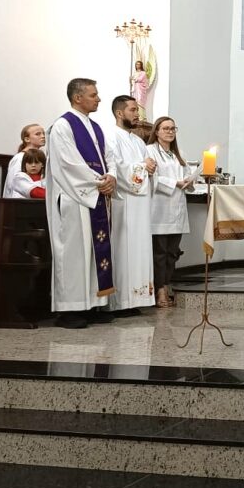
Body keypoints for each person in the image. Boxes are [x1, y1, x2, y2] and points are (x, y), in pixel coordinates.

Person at [45, 78, 119, 329]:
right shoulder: (63, 126)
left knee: (93, 252)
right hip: (74, 198)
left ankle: (93, 304)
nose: (98, 99)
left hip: (94, 195)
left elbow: (110, 157)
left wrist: (112, 177)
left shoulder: (96, 127)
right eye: (93, 95)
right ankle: (70, 309)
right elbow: (68, 163)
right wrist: (99, 182)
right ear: (78, 98)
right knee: (75, 254)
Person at [107, 95, 158, 315]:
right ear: (119, 113)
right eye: (132, 110)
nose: (137, 114)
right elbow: (115, 167)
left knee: (139, 248)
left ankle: (136, 298)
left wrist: (150, 168)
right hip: (124, 202)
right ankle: (120, 300)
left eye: (137, 110)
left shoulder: (138, 141)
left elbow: (146, 168)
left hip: (141, 203)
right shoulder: (111, 137)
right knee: (123, 248)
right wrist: (141, 167)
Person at [145, 116, 194, 309]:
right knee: (159, 252)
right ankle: (160, 289)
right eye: (165, 128)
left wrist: (190, 180)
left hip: (177, 210)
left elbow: (187, 175)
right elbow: (151, 178)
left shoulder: (178, 153)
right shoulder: (149, 151)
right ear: (156, 131)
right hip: (159, 208)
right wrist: (175, 183)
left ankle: (167, 283)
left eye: (173, 128)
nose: (170, 132)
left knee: (172, 252)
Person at [4, 123, 45, 197]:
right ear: (27, 139)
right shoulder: (19, 158)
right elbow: (12, 184)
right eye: (38, 134)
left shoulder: (43, 157)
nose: (43, 136)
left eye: (43, 133)